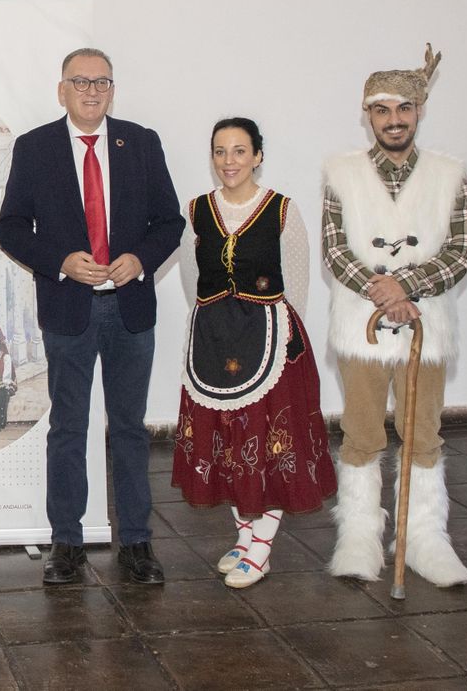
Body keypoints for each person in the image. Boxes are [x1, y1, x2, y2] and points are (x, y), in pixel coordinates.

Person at [0, 47, 184, 585]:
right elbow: (10, 227)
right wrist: (60, 263)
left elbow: (169, 222)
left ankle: (137, 545)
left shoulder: (141, 143)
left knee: (128, 428)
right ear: (62, 90)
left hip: (129, 310)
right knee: (69, 427)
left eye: (102, 82)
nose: (92, 91)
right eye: (81, 82)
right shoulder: (35, 148)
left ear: (112, 90)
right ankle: (67, 543)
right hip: (67, 308)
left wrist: (140, 260)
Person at [323, 46, 467, 586]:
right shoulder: (340, 173)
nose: (394, 120)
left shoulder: (450, 174)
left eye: (404, 109)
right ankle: (360, 534)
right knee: (362, 432)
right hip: (359, 326)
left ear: (419, 111)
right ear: (368, 115)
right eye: (382, 110)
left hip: (425, 326)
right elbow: (336, 249)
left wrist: (407, 285)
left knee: (424, 433)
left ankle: (423, 538)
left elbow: (461, 251)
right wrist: (382, 292)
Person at [170, 118, 336, 589]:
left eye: (240, 151)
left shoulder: (283, 209)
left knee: (270, 440)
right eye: (220, 152)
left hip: (271, 339)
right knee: (225, 437)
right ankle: (244, 539)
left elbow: (297, 285)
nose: (229, 161)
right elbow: (191, 277)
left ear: (258, 156)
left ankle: (261, 547)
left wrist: (285, 340)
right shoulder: (198, 210)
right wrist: (208, 325)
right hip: (214, 338)